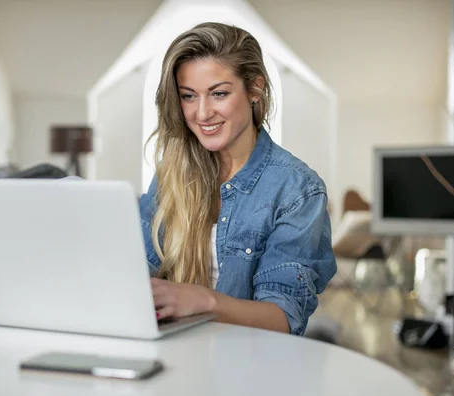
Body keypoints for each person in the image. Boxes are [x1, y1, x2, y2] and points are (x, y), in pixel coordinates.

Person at [139, 22, 336, 336]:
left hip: (249, 369)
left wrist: (205, 302)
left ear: (255, 90)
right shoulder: (171, 175)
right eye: (189, 96)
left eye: (218, 94)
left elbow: (283, 317)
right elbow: (137, 272)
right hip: (174, 359)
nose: (202, 113)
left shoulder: (297, 189)